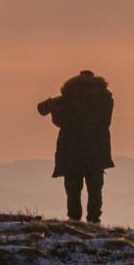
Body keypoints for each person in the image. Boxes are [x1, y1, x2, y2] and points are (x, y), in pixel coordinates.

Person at [37, 70, 114, 222]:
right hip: (96, 148)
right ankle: (94, 220)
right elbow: (106, 122)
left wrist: (56, 107)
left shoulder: (68, 98)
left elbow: (58, 120)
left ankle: (74, 220)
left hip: (71, 149)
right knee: (95, 188)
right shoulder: (105, 97)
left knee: (73, 189)